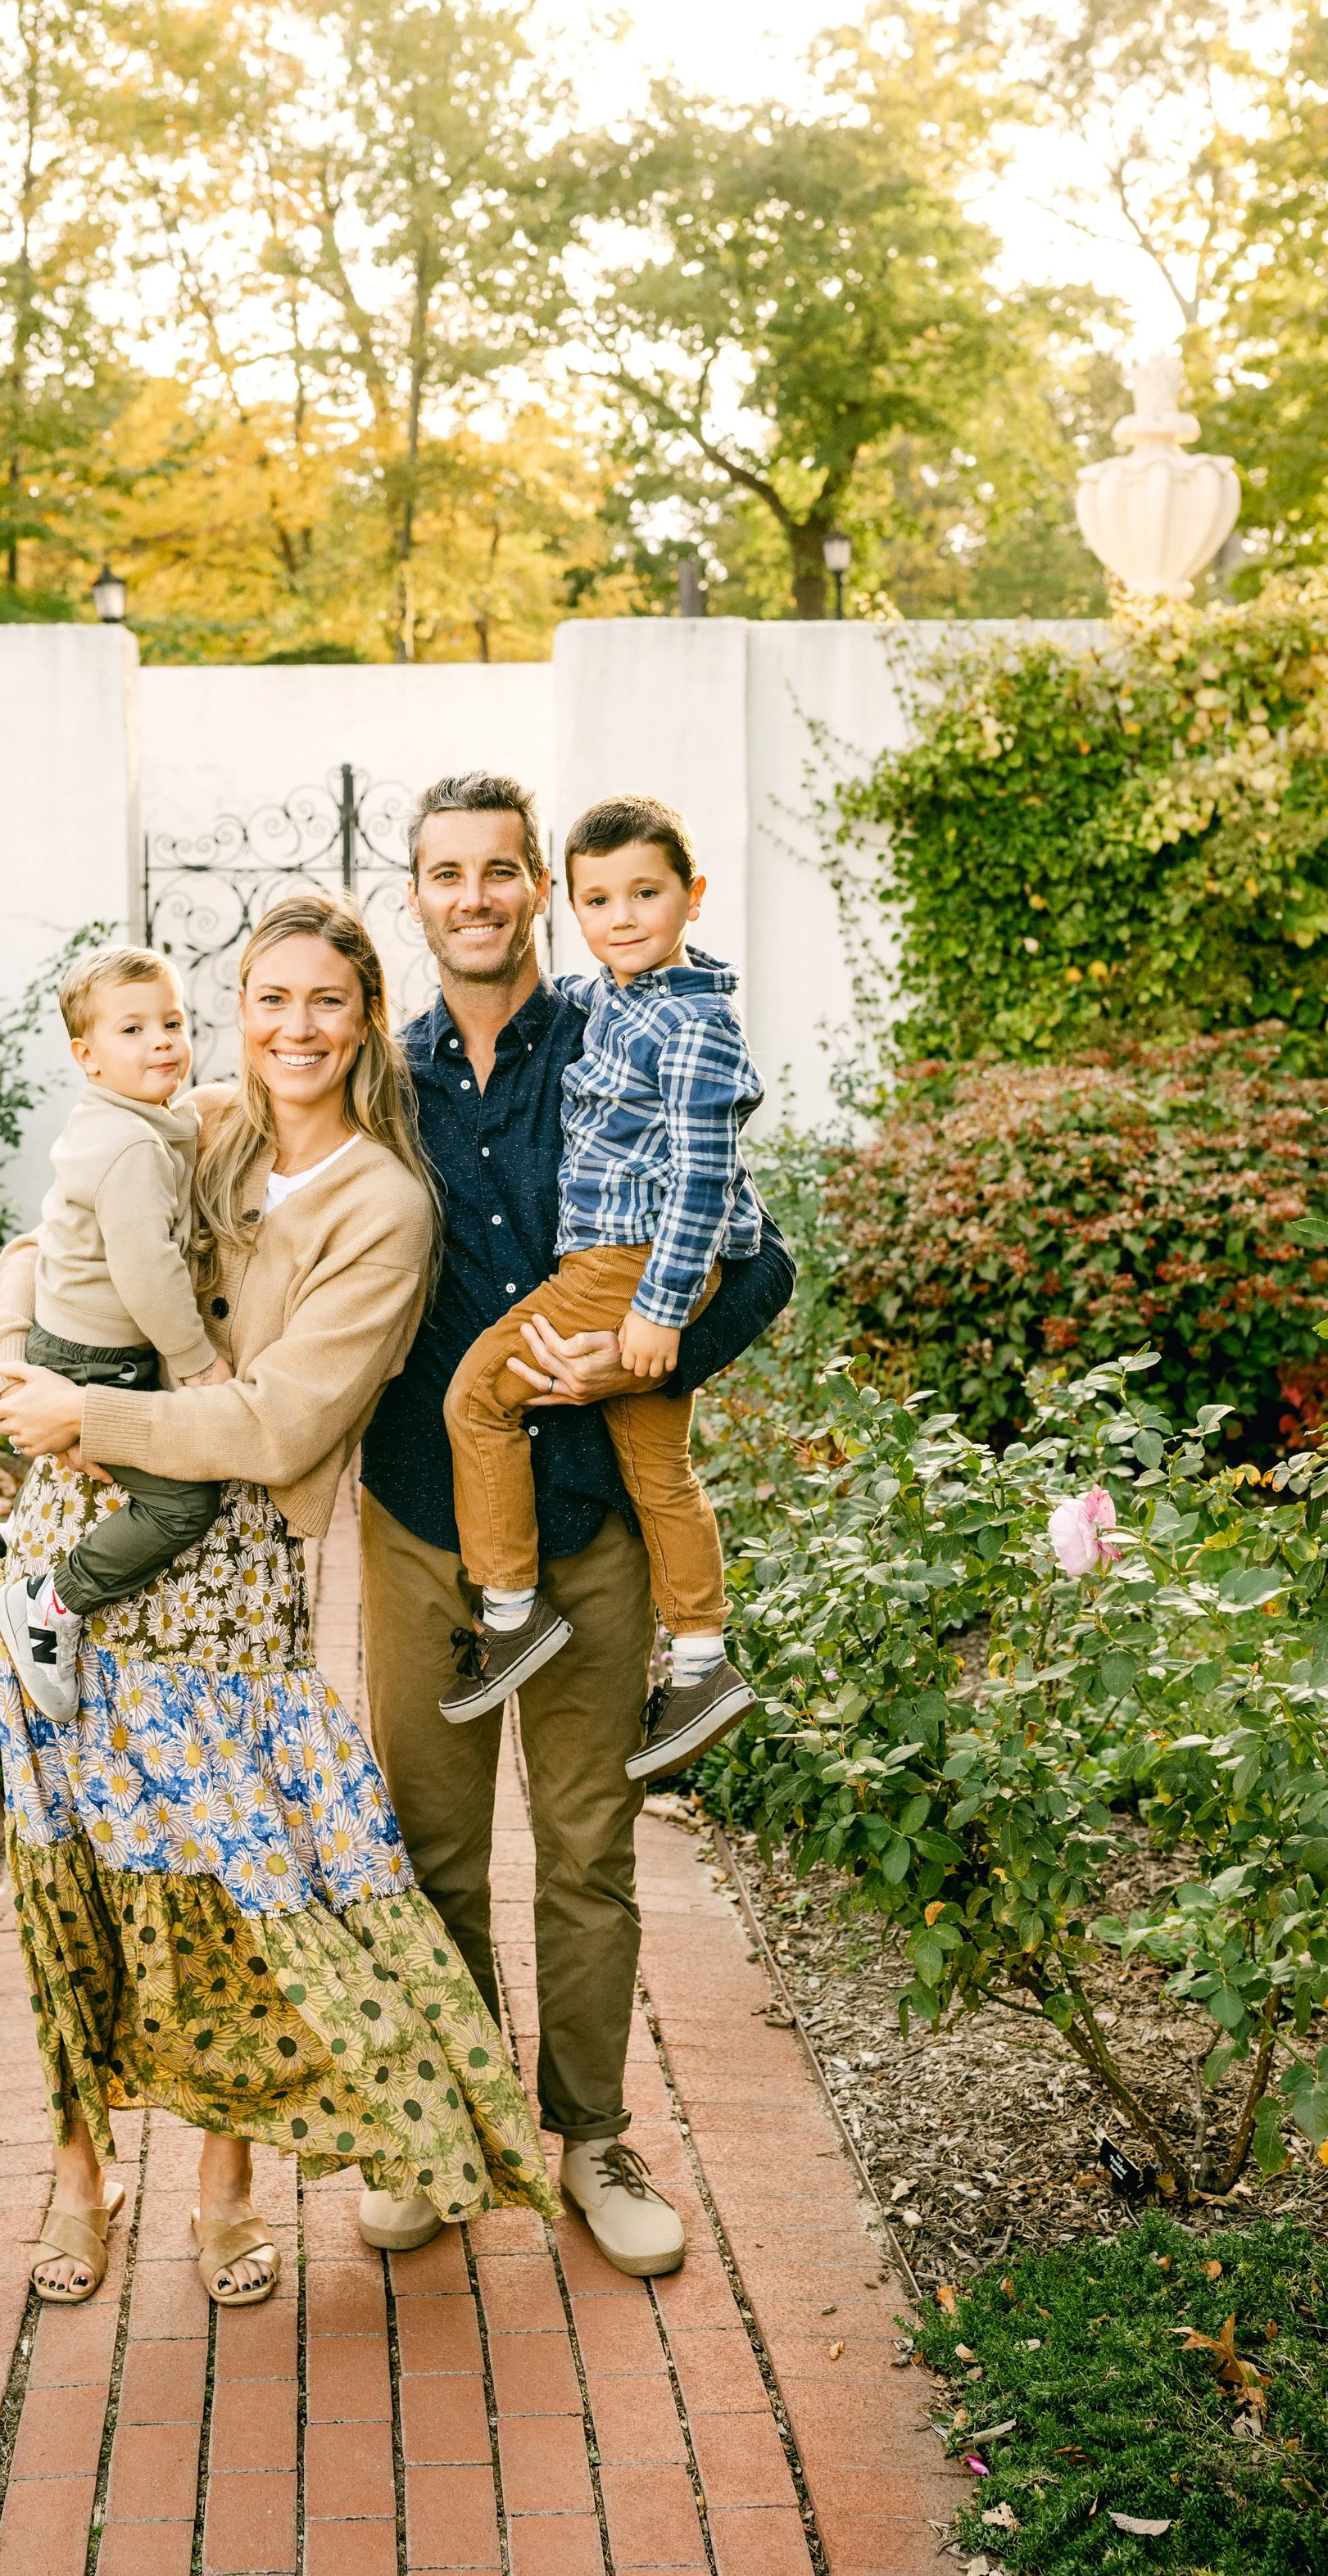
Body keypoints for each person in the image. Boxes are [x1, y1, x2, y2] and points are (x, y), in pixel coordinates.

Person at [0, 895, 560, 2312]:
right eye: (269, 999)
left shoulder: (387, 1204)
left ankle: (226, 2183)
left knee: (235, 1886)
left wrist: (95, 1414)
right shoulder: (201, 1120)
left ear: (368, 1018)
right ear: (240, 1014)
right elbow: (51, 1237)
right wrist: (14, 1360)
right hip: (74, 1524)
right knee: (72, 1868)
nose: (294, 1027)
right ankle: (77, 2168)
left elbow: (289, 1425)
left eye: (326, 1001)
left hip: (228, 1576)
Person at [357, 772, 793, 2280]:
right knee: (430, 1850)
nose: (471, 897)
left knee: (589, 1851)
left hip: (592, 1515)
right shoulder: (379, 1072)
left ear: (537, 883)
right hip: (422, 1520)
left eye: (497, 871)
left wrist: (640, 1349)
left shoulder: (620, 1030)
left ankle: (591, 2141)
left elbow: (760, 1262)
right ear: (410, 895)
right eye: (441, 873)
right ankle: (449, 2132)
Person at [436, 793, 761, 1786]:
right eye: (598, 899)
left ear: (692, 896)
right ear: (567, 903)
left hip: (624, 1265)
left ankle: (508, 1609)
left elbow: (706, 1177)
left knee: (476, 1399)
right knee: (660, 1471)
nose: (621, 917)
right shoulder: (614, 998)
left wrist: (661, 1312)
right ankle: (701, 1659)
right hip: (631, 1265)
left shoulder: (693, 1026)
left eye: (645, 894)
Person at [0, 944, 233, 1724]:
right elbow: (147, 1272)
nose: (162, 1040)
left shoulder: (126, 1121)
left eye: (172, 1021)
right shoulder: (131, 1147)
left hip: (76, 1342)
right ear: (87, 1057)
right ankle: (50, 1603)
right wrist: (195, 1363)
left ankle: (10, 1537)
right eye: (133, 1029)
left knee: (105, 1462)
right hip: (101, 1359)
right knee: (181, 1504)